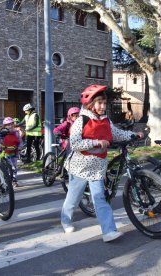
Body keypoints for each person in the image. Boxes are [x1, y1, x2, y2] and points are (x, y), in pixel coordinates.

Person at [61, 84, 144, 242]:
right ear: (91, 104)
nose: (103, 106)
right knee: (73, 198)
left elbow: (116, 133)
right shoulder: (81, 120)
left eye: (104, 103)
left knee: (100, 198)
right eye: (99, 103)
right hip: (80, 167)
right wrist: (96, 143)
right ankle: (65, 220)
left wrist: (133, 135)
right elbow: (75, 143)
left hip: (98, 167)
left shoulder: (105, 120)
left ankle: (109, 231)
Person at [0, 117, 24, 188]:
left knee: (14, 167)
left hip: (14, 152)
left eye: (11, 124)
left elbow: (20, 141)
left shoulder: (16, 132)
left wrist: (20, 147)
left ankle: (14, 180)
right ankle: (5, 180)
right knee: (8, 167)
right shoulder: (3, 133)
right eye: (8, 125)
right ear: (5, 126)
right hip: (5, 153)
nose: (10, 126)